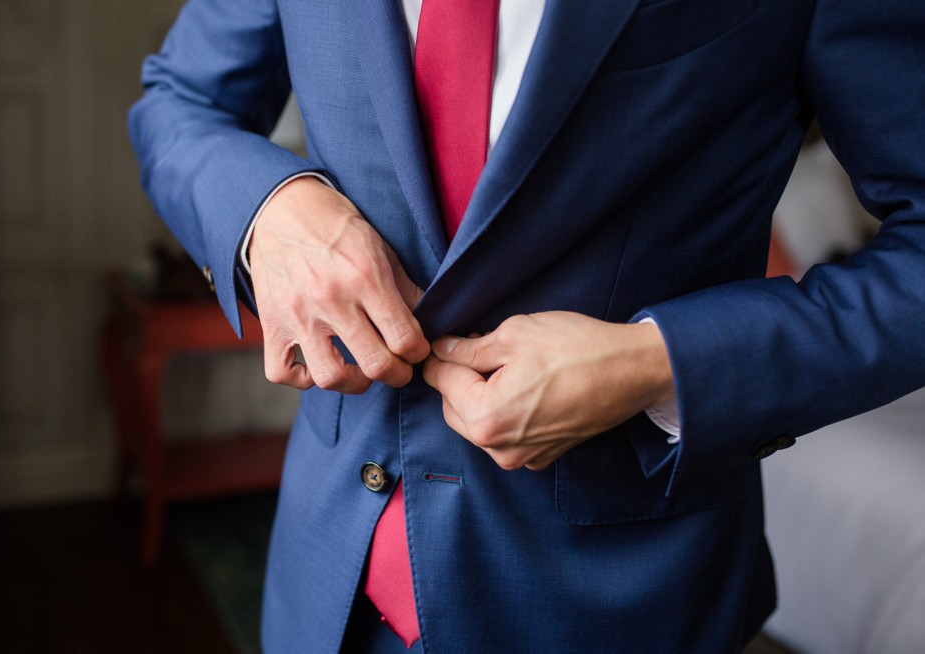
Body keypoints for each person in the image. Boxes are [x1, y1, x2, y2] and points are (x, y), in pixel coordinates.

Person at [129, 0, 925, 651]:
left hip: (621, 605)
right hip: (327, 585)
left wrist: (656, 363)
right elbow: (179, 101)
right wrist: (267, 212)